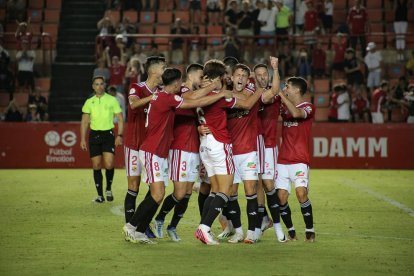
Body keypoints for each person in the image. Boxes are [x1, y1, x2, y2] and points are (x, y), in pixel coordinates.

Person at [123, 67, 230, 244]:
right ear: (174, 84)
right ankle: (131, 226)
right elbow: (193, 103)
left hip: (158, 152)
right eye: (179, 83)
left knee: (158, 194)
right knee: (157, 195)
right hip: (152, 151)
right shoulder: (167, 98)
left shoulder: (162, 96)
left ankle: (140, 231)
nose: (180, 85)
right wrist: (217, 91)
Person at [195, 58, 281, 245]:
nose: (241, 78)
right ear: (231, 77)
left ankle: (251, 232)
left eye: (244, 75)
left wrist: (274, 69)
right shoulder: (224, 96)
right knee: (230, 192)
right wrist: (200, 127)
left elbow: (273, 92)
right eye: (238, 75)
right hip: (229, 150)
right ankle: (239, 231)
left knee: (251, 190)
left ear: (247, 79)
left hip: (248, 151)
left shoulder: (252, 94)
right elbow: (205, 113)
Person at [152, 64, 223, 242]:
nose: (203, 79)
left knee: (189, 193)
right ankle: (159, 219)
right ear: (191, 77)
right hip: (180, 148)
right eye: (201, 76)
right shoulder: (181, 91)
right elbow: (191, 99)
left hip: (195, 149)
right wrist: (211, 87)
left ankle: (173, 226)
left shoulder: (201, 92)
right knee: (179, 193)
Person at [123, 56, 165, 224]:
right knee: (133, 186)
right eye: (163, 68)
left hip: (151, 147)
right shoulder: (137, 87)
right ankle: (129, 225)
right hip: (134, 144)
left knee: (154, 187)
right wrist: (153, 98)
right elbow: (133, 104)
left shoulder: (163, 90)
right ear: (154, 71)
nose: (165, 71)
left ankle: (143, 223)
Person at [276, 76, 316, 242]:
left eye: (288, 86)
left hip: (299, 159)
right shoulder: (283, 108)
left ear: (297, 90)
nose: (285, 88)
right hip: (283, 159)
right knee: (282, 197)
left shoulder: (308, 107)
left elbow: (296, 113)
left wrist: (281, 95)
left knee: (301, 194)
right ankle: (291, 232)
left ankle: (310, 231)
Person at [255, 61, 286, 242]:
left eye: (264, 74)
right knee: (256, 184)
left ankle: (277, 225)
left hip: (268, 145)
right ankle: (262, 221)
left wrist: (275, 68)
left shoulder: (273, 93)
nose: (261, 77)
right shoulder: (250, 93)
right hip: (253, 144)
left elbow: (273, 92)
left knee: (268, 184)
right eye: (258, 74)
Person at [80, 76, 124, 203]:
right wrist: (82, 139)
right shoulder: (89, 102)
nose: (99, 86)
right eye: (96, 84)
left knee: (109, 164)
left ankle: (108, 188)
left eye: (101, 84)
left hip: (108, 134)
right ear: (93, 86)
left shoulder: (112, 100)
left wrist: (120, 135)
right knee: (96, 165)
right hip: (94, 135)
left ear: (104, 85)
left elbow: (120, 118)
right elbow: (84, 122)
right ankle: (100, 196)